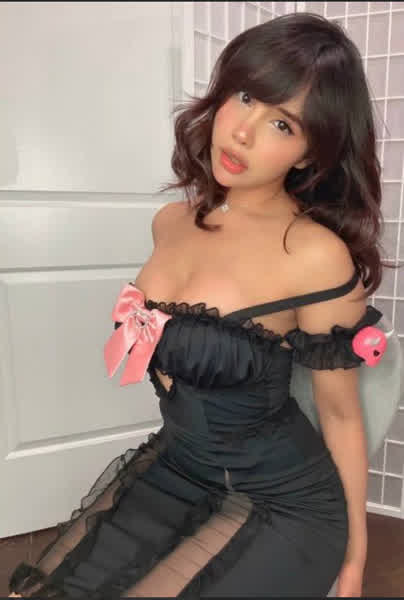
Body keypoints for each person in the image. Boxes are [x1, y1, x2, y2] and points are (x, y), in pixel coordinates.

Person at [8, 11, 399, 598]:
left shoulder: (313, 255)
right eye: (245, 97)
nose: (243, 132)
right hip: (176, 467)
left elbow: (341, 415)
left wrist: (355, 555)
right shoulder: (170, 222)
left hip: (283, 502)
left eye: (282, 124)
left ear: (307, 154)